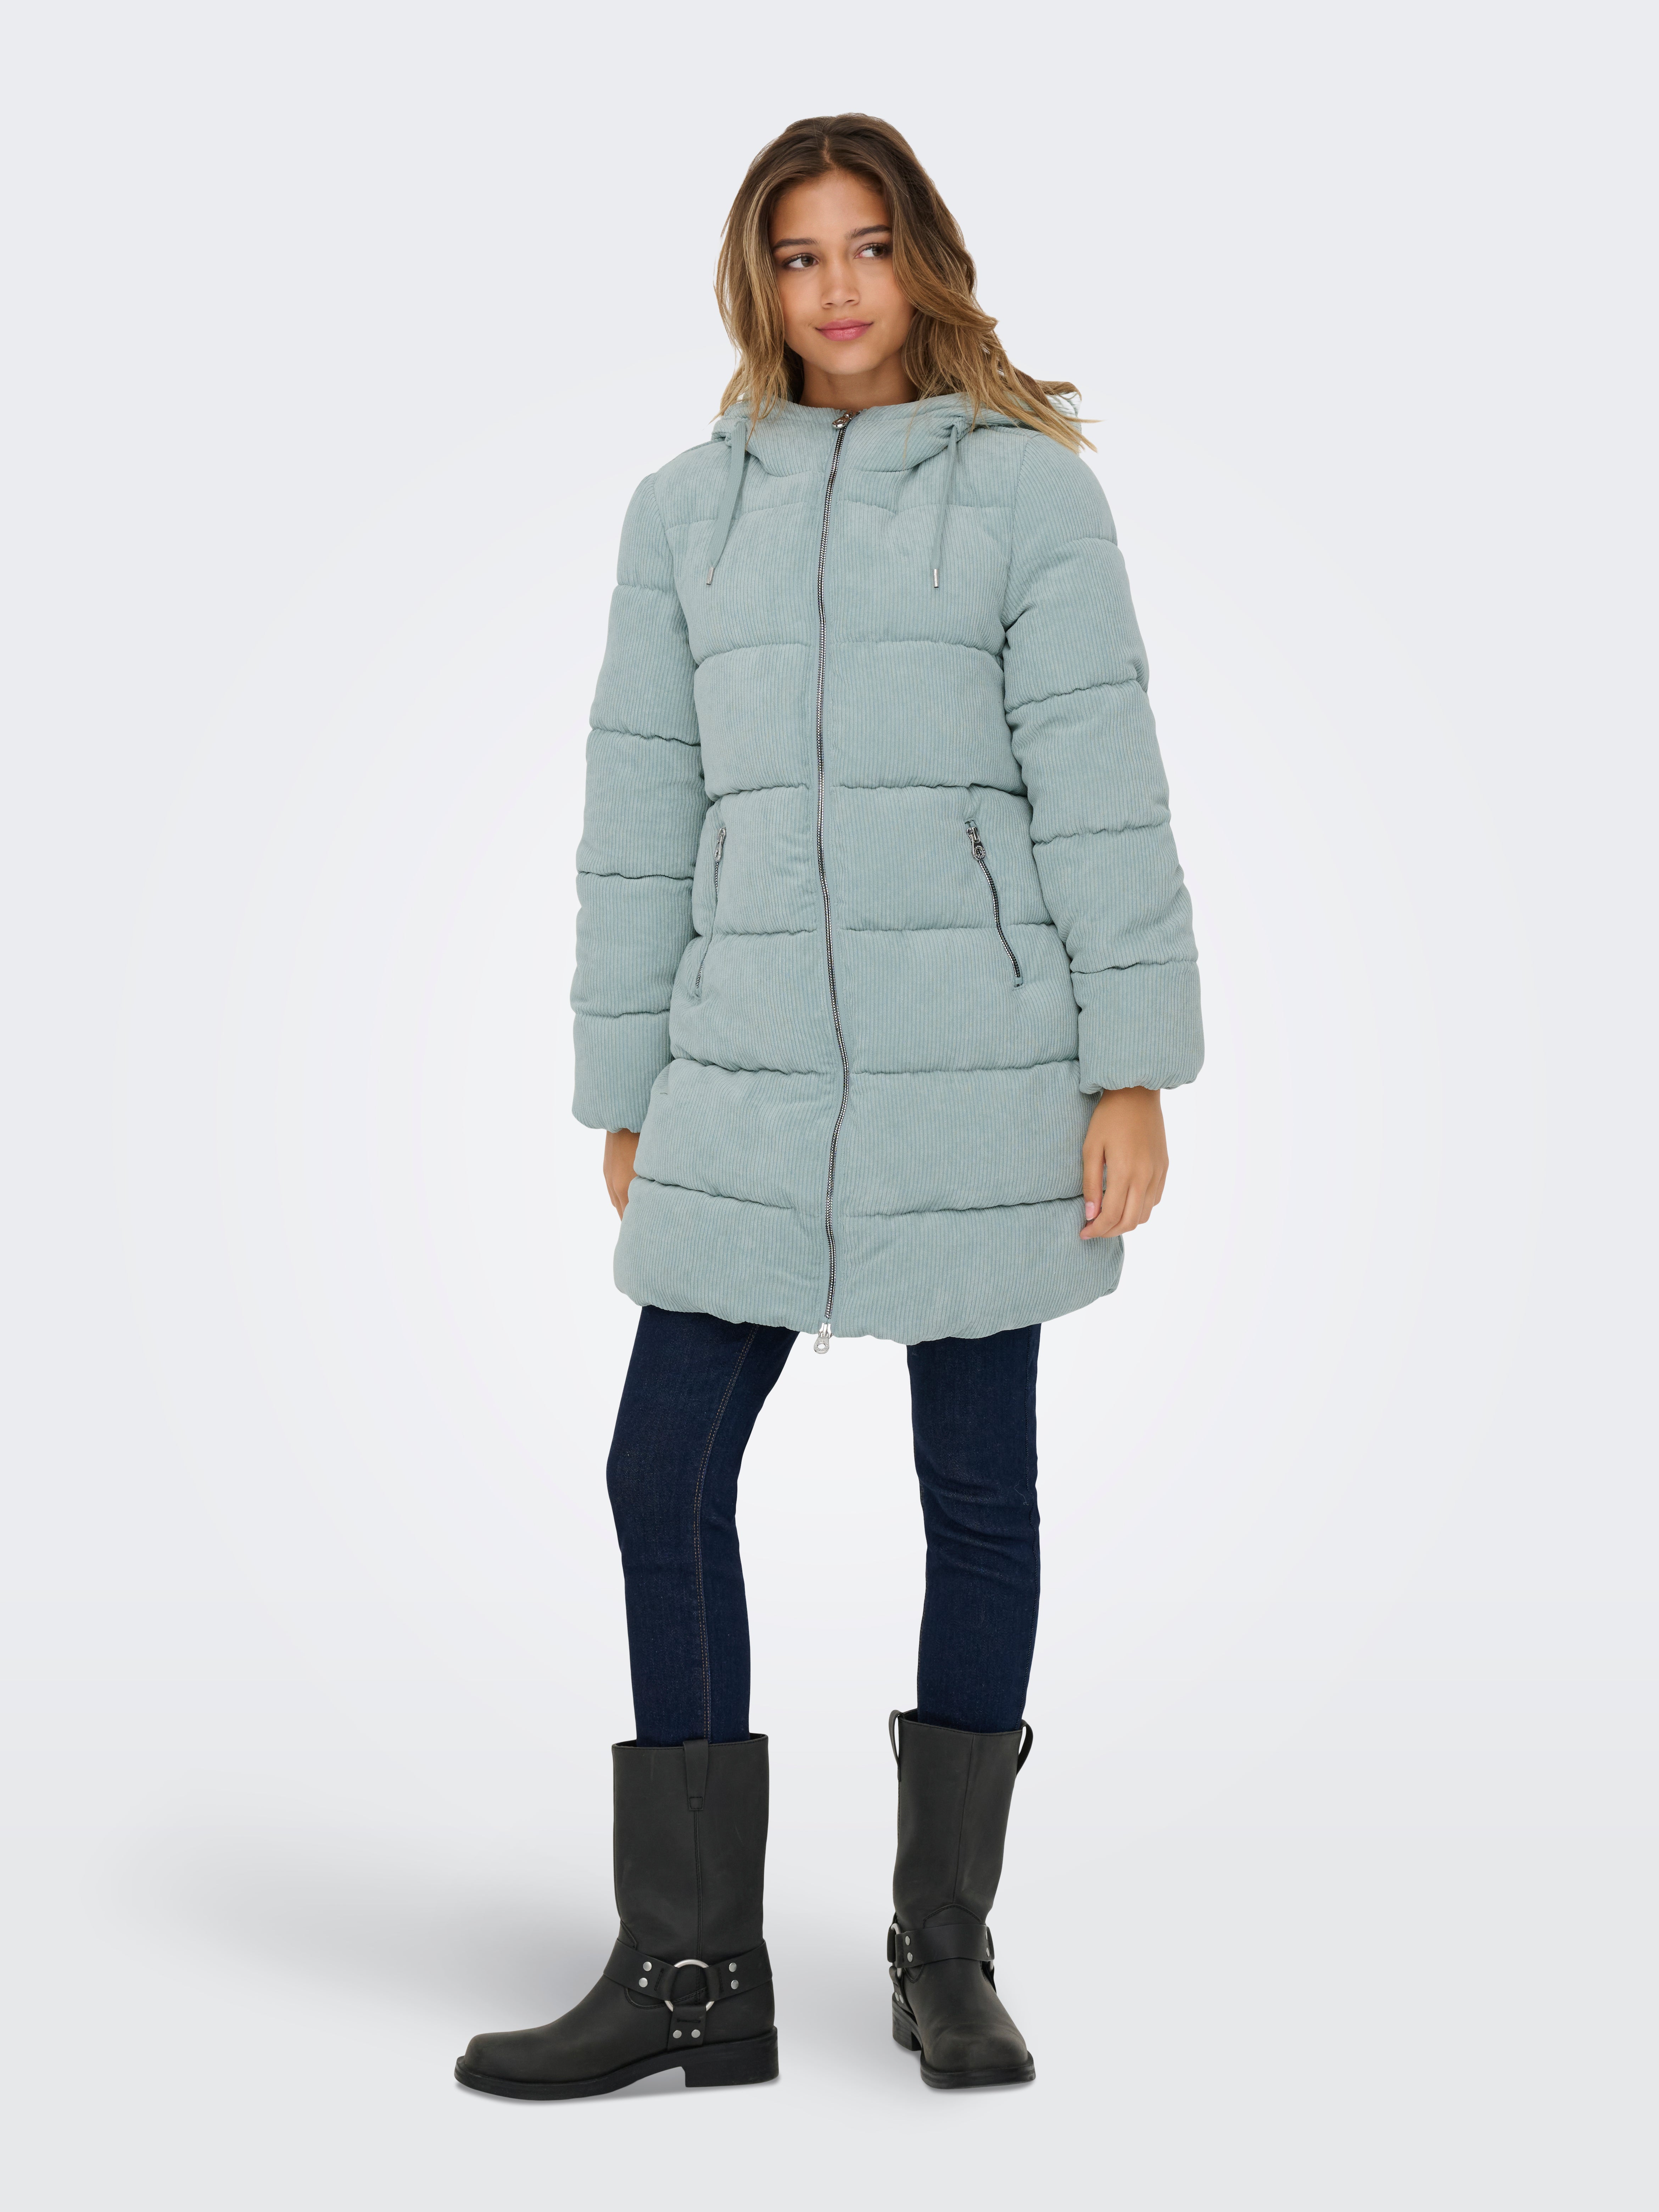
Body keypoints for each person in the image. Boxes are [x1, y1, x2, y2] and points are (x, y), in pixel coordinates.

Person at [455, 112, 1202, 2101]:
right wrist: (625, 1082)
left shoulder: (1029, 497)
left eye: (868, 246)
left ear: (923, 260)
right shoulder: (683, 515)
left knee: (978, 1495)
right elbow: (639, 813)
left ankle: (943, 1947)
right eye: (798, 257)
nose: (838, 288)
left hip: (985, 1070)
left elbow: (1101, 788)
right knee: (661, 1471)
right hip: (749, 1074)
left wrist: (1130, 1064)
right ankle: (694, 1968)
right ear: (756, 285)